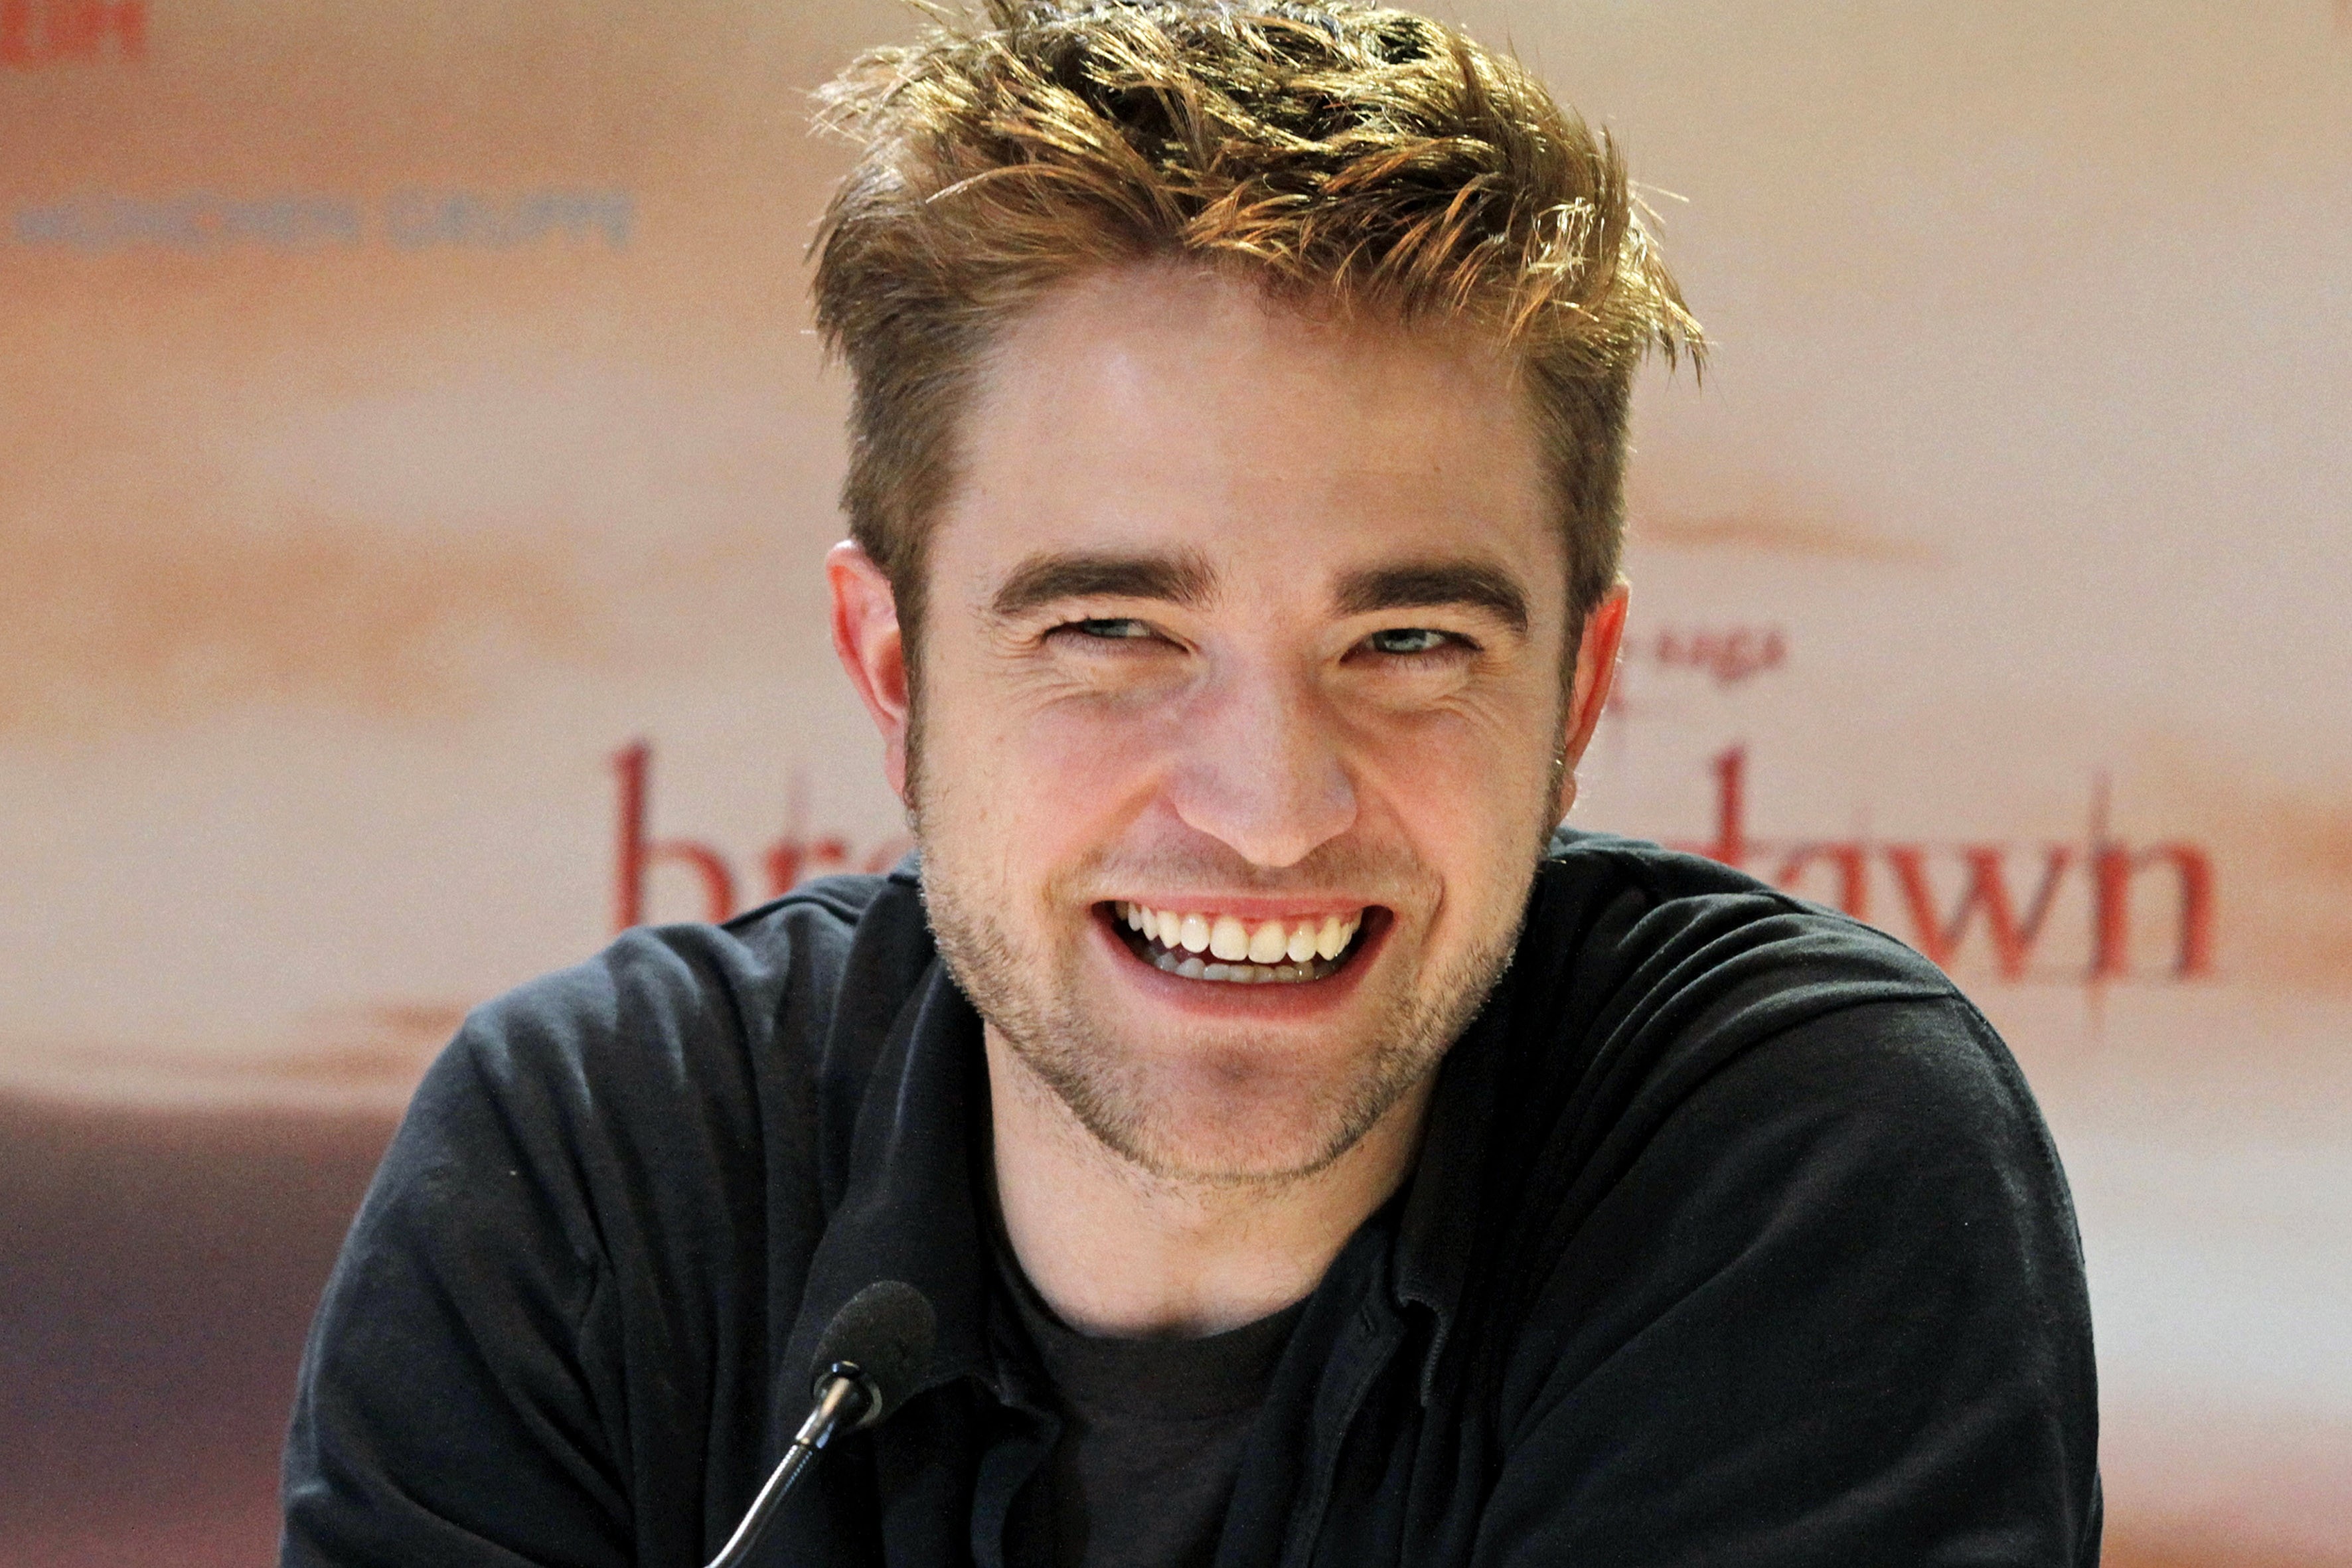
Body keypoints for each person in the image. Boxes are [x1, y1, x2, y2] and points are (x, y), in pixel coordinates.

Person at [281, 3, 2101, 1564]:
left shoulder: (1794, 1155)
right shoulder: (590, 1178)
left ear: (1580, 691)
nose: (1270, 807)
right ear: (894, 665)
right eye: (1114, 629)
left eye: (1409, 642)